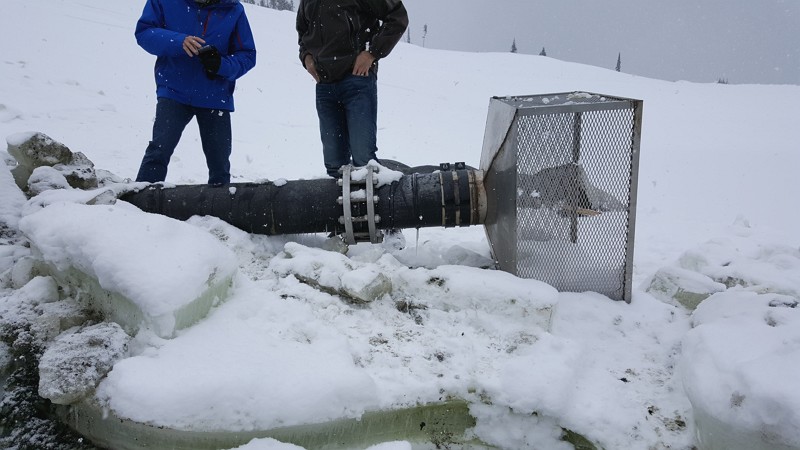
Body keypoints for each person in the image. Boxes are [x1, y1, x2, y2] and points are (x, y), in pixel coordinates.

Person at [134, 0, 256, 186]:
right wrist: (178, 41)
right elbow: (144, 32)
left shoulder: (233, 8)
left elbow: (247, 55)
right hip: (173, 90)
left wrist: (221, 65)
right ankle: (139, 204)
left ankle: (219, 211)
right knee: (159, 151)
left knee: (219, 166)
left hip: (215, 97)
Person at [296, 0, 409, 177]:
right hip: (324, 85)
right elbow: (303, 32)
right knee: (334, 165)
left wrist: (372, 52)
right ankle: (342, 204)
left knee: (364, 161)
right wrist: (306, 57)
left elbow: (397, 17)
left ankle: (378, 200)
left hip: (357, 79)